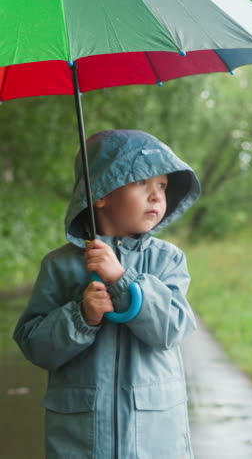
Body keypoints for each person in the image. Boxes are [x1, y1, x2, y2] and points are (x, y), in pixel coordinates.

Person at [14, 129, 201, 459]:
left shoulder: (166, 259)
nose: (157, 196)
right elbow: (35, 345)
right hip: (82, 439)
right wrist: (80, 317)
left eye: (162, 186)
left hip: (153, 437)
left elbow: (172, 328)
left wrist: (124, 280)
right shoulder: (60, 266)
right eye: (142, 183)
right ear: (100, 193)